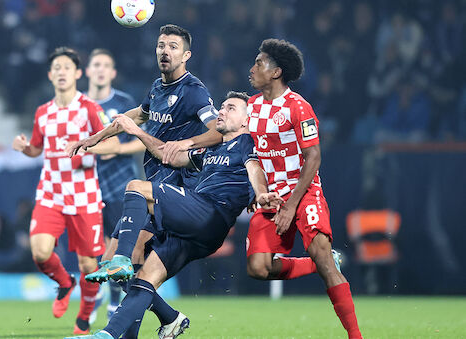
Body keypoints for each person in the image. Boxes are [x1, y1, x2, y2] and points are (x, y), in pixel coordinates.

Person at [64, 91, 282, 339]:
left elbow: (254, 169)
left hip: (210, 212)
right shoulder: (210, 150)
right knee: (143, 278)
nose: (221, 111)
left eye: (231, 108)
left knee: (136, 187)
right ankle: (120, 332)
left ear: (246, 119)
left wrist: (260, 192)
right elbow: (172, 157)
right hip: (200, 230)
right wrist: (138, 132)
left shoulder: (247, 143)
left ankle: (120, 259)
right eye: (222, 106)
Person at [65, 24, 223, 338]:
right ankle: (170, 317)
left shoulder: (193, 90)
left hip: (177, 188)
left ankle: (116, 332)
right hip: (155, 180)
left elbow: (218, 130)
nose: (165, 51)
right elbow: (133, 117)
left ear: (186, 55)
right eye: (161, 45)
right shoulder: (157, 87)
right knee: (115, 268)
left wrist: (188, 144)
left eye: (173, 46)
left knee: (127, 261)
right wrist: (93, 139)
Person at [245, 38, 362, 339]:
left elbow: (314, 156)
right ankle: (312, 264)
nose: (252, 68)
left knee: (323, 256)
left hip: (303, 191)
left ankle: (355, 336)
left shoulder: (299, 107)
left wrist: (293, 204)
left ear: (276, 72)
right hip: (272, 196)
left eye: (259, 63)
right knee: (258, 268)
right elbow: (253, 158)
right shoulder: (252, 106)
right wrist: (257, 192)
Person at [11, 46, 122, 335]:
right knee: (40, 252)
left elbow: (113, 145)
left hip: (84, 197)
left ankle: (84, 319)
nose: (61, 72)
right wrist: (25, 149)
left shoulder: (89, 109)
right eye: (56, 68)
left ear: (77, 73)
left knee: (88, 265)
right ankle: (63, 282)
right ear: (50, 75)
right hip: (50, 193)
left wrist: (86, 144)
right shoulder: (42, 113)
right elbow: (37, 149)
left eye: (66, 67)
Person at [84, 48, 145, 321]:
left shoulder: (123, 102)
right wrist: (95, 148)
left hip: (118, 183)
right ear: (87, 71)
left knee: (117, 243)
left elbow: (140, 139)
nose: (100, 69)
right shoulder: (77, 104)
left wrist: (117, 149)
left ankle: (114, 298)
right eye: (95, 64)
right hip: (84, 184)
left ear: (112, 73)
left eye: (105, 65)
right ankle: (98, 293)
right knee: (89, 245)